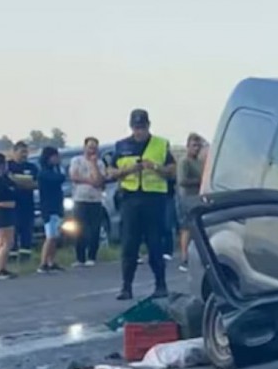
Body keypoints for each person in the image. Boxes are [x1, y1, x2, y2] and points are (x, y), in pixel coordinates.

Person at [112, 108, 176, 301]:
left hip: (153, 199)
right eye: (136, 127)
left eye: (142, 127)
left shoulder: (161, 144)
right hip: (130, 199)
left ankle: (161, 285)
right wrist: (129, 169)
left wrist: (155, 167)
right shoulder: (122, 146)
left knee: (154, 243)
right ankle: (126, 287)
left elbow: (172, 172)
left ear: (149, 126)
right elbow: (111, 172)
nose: (139, 131)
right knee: (129, 245)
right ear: (131, 127)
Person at [67, 137, 110, 266]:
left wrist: (93, 164)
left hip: (95, 200)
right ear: (84, 147)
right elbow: (74, 176)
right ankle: (80, 258)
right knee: (80, 229)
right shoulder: (76, 160)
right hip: (80, 199)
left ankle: (92, 256)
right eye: (90, 147)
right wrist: (89, 180)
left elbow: (99, 181)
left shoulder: (100, 163)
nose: (92, 150)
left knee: (94, 229)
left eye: (94, 147)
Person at [175, 133, 206, 270]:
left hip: (196, 198)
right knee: (186, 228)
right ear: (188, 146)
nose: (196, 148)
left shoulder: (198, 162)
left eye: (198, 146)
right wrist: (199, 181)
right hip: (186, 198)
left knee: (195, 227)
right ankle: (184, 257)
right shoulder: (184, 162)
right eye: (194, 146)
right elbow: (182, 181)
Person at [35, 146, 67, 274]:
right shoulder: (44, 173)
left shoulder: (52, 171)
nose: (57, 159)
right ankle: (43, 262)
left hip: (56, 207)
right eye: (55, 157)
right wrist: (60, 168)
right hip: (49, 208)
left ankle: (51, 261)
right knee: (50, 236)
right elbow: (60, 178)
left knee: (55, 236)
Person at [6, 141, 37, 258]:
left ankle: (25, 256)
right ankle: (11, 256)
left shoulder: (32, 167)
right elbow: (5, 183)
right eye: (22, 152)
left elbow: (35, 184)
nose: (24, 155)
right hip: (12, 205)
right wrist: (24, 183)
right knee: (12, 232)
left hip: (28, 205)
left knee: (26, 232)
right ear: (14, 152)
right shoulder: (8, 166)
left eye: (26, 152)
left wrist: (15, 181)